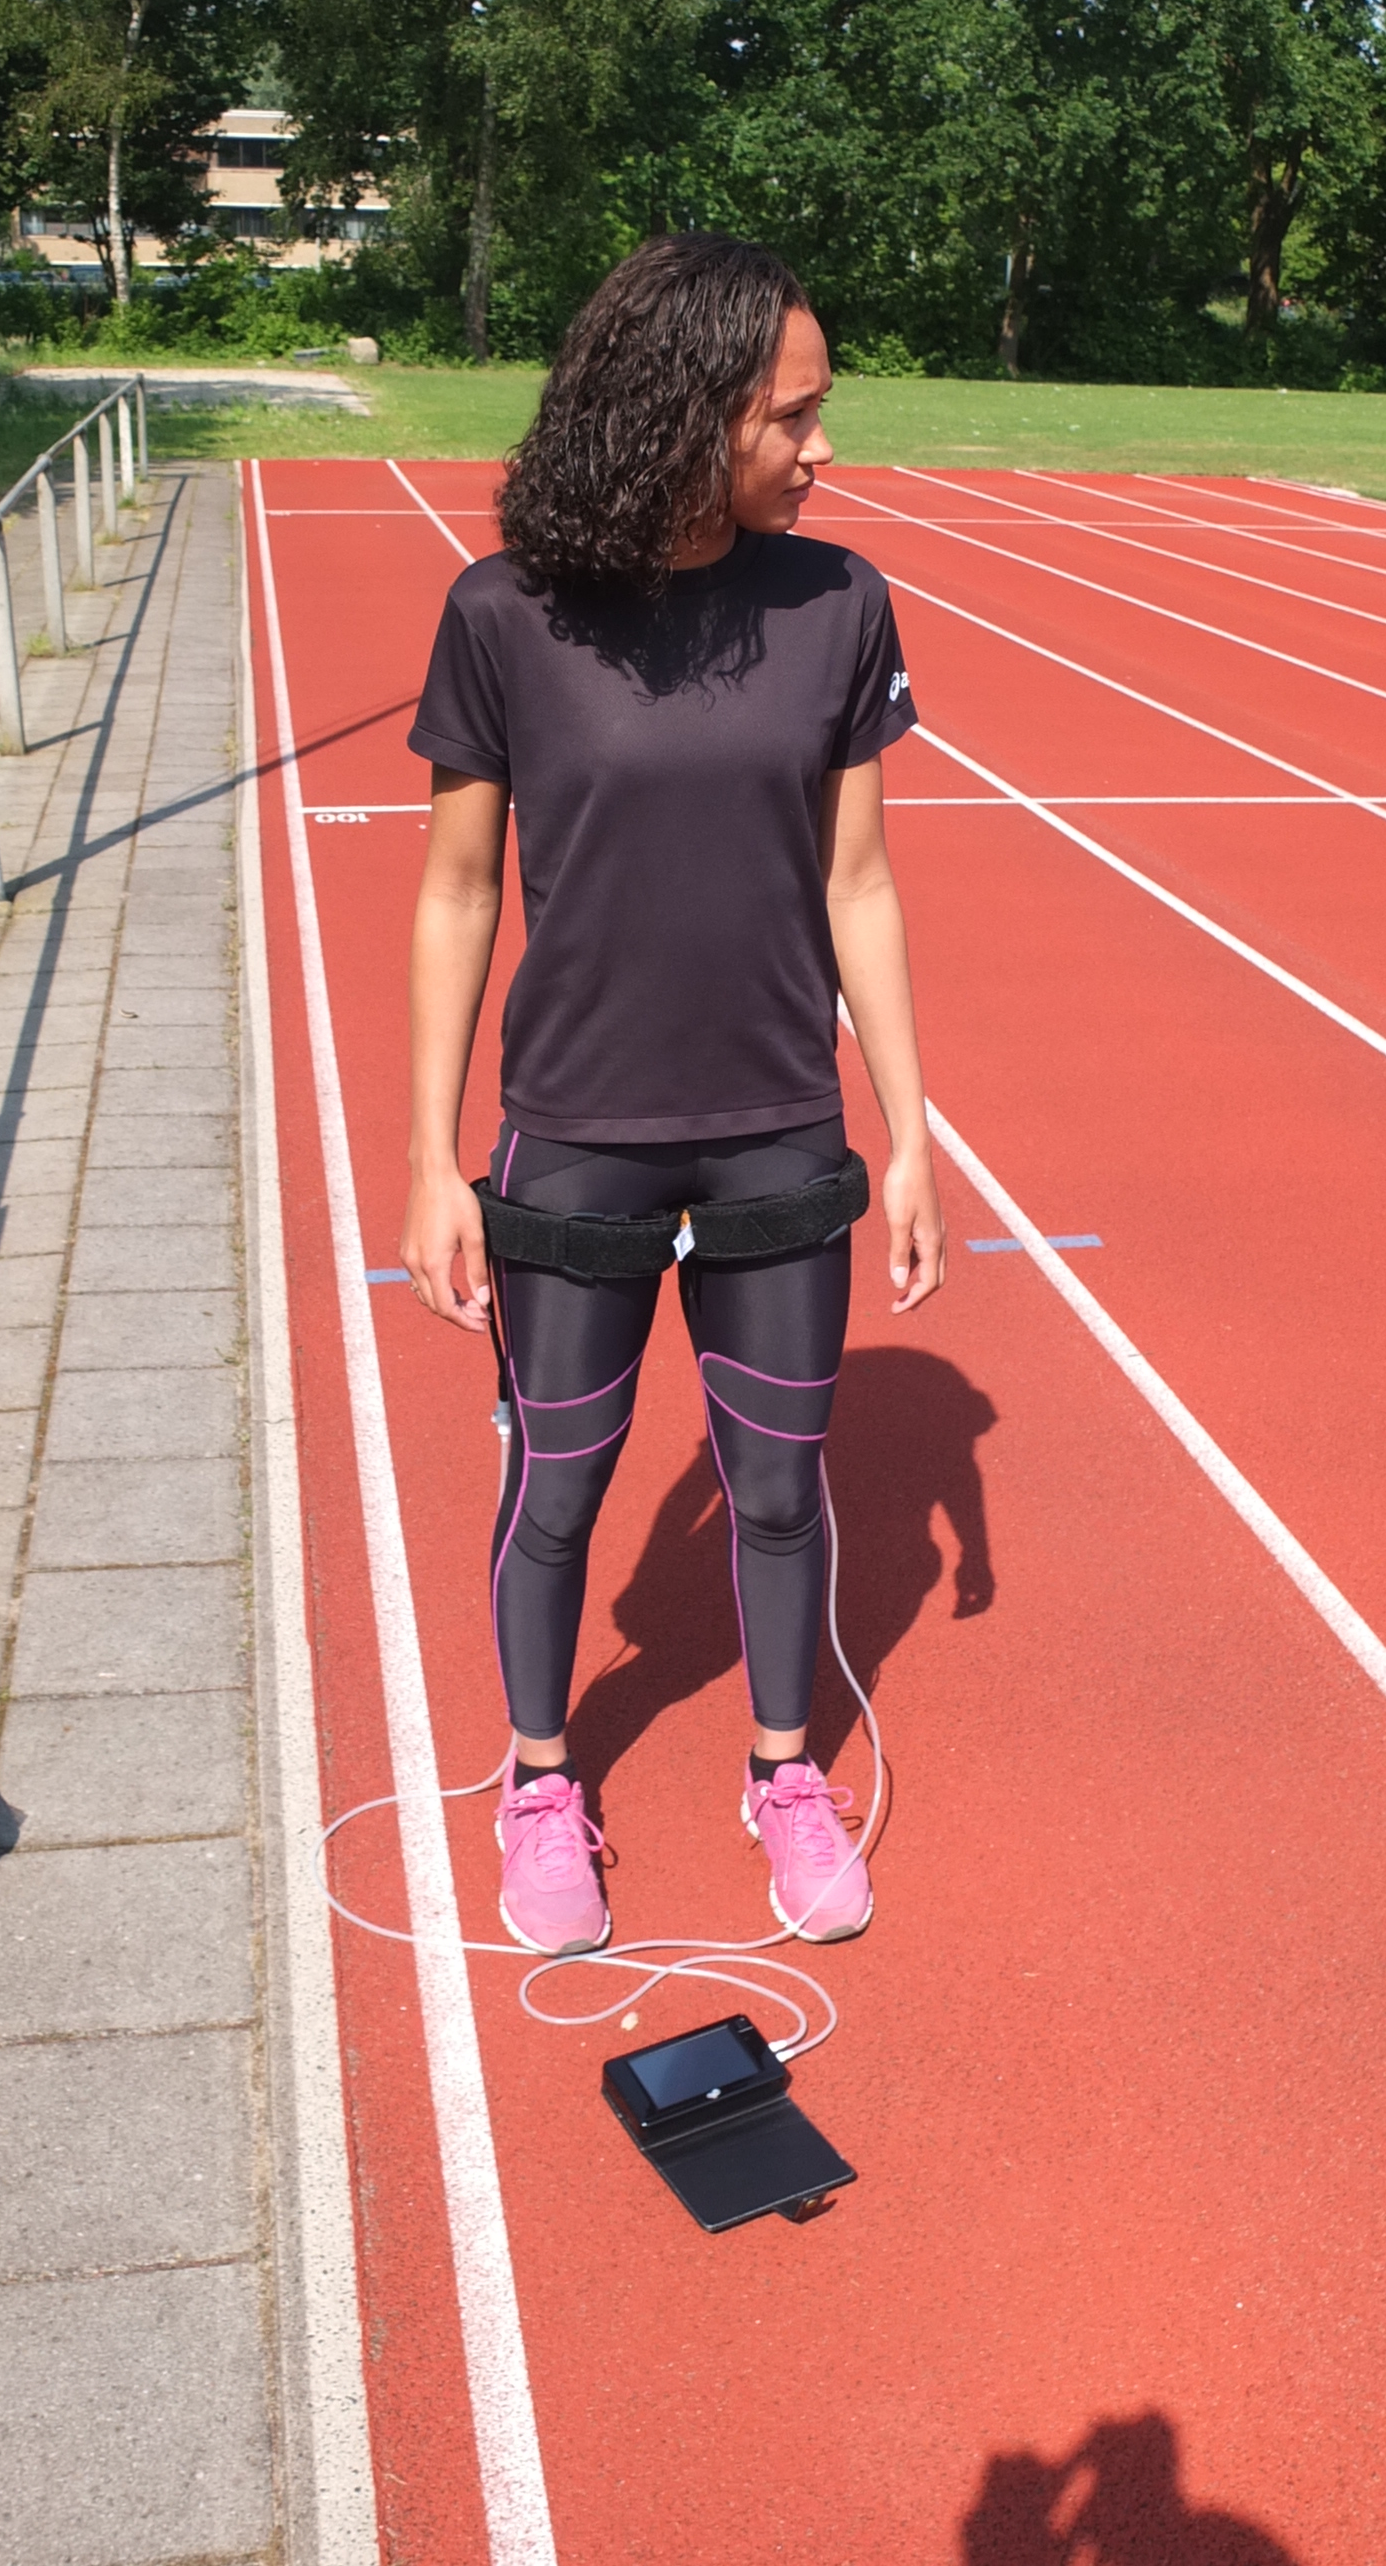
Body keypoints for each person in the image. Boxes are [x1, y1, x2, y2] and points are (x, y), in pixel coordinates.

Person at [400, 233, 946, 1958]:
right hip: (575, 1135)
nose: (822, 447)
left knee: (779, 1484)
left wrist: (913, 1134)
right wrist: (426, 1159)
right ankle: (539, 1781)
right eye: (792, 415)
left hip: (779, 1123)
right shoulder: (508, 614)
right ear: (686, 411)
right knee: (560, 1489)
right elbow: (457, 894)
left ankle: (785, 1773)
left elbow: (858, 880)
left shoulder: (839, 604)